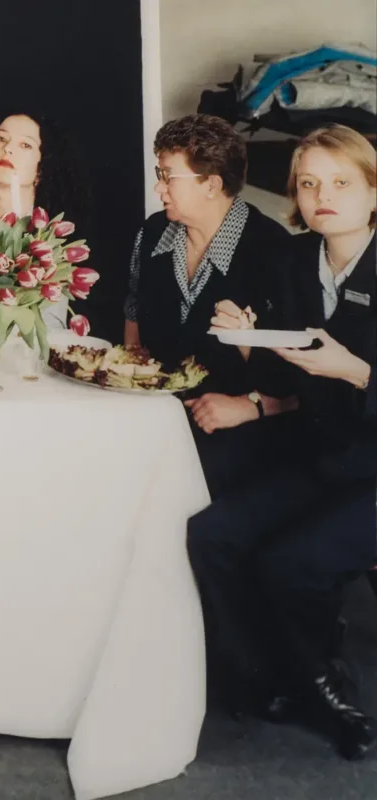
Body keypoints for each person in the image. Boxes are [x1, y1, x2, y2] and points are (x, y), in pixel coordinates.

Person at [189, 123, 376, 761]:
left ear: (373, 192)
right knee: (210, 534)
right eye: (308, 183)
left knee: (291, 563)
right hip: (316, 453)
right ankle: (264, 674)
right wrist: (248, 338)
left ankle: (322, 691)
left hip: (372, 467)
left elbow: (340, 372)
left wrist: (356, 371)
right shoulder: (297, 261)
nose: (324, 195)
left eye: (342, 182)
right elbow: (285, 373)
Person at [122, 114, 291, 495]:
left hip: (236, 430)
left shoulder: (274, 251)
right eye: (159, 173)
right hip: (156, 417)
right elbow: (133, 307)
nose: (158, 186)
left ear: (212, 184)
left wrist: (248, 405)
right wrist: (130, 370)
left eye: (169, 176)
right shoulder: (151, 234)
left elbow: (296, 376)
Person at [0, 111, 91, 329]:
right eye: (0, 138)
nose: (7, 148)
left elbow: (51, 323)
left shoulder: (51, 231)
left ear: (43, 165)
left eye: (25, 145)